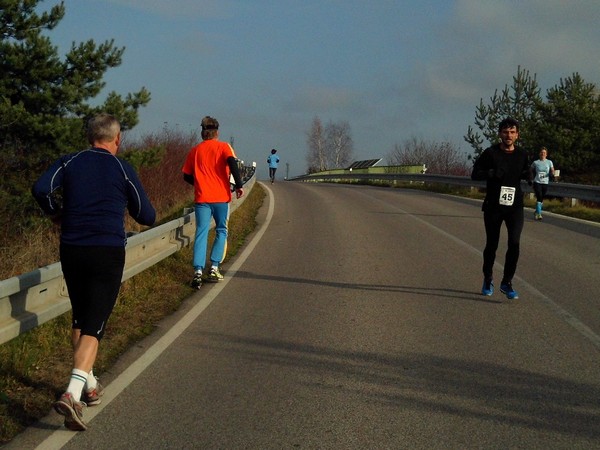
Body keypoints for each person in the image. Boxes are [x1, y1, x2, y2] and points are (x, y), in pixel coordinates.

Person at [32, 113, 156, 431]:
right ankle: (72, 394)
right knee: (95, 324)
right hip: (106, 251)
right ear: (118, 139)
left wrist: (56, 214)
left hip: (72, 248)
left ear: (89, 138)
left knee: (80, 317)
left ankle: (89, 386)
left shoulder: (70, 161)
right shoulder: (121, 167)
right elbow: (147, 215)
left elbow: (41, 188)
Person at [471, 117, 530, 300]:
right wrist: (490, 173)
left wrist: (529, 175)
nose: (508, 135)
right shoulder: (491, 153)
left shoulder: (522, 154)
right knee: (492, 244)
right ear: (499, 134)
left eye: (512, 132)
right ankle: (488, 278)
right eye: (505, 132)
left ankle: (507, 282)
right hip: (494, 206)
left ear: (517, 135)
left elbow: (524, 170)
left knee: (514, 243)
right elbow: (475, 174)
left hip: (514, 207)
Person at [182, 116, 244, 289]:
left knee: (201, 233)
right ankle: (214, 268)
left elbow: (186, 176)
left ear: (202, 133)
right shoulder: (224, 147)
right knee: (221, 230)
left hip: (202, 199)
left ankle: (198, 271)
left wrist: (200, 184)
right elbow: (232, 163)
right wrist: (239, 186)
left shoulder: (195, 151)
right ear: (217, 132)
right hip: (221, 198)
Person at [530, 147, 555, 220]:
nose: (543, 154)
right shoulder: (536, 162)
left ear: (546, 154)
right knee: (539, 196)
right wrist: (531, 177)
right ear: (539, 154)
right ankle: (539, 214)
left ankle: (537, 211)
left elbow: (552, 170)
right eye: (541, 152)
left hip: (545, 182)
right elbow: (530, 169)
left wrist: (552, 173)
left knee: (541, 197)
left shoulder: (549, 162)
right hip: (537, 182)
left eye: (544, 153)